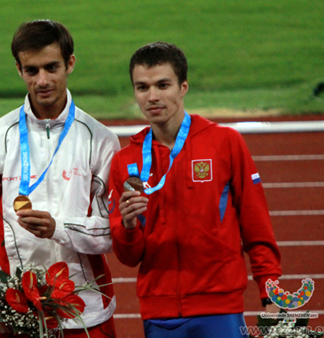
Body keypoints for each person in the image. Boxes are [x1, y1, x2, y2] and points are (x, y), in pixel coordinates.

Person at [0, 20, 120, 337]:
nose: (42, 80)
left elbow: (112, 231)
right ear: (19, 69)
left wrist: (59, 228)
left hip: (85, 312)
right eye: (32, 70)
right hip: (18, 313)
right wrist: (1, 291)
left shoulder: (99, 139)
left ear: (70, 63)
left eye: (51, 67)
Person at [108, 42, 282, 338]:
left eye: (163, 85)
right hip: (159, 313)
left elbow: (257, 226)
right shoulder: (125, 161)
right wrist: (127, 226)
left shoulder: (224, 143)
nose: (152, 97)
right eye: (142, 87)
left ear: (183, 86)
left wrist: (271, 294)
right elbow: (129, 256)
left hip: (221, 308)